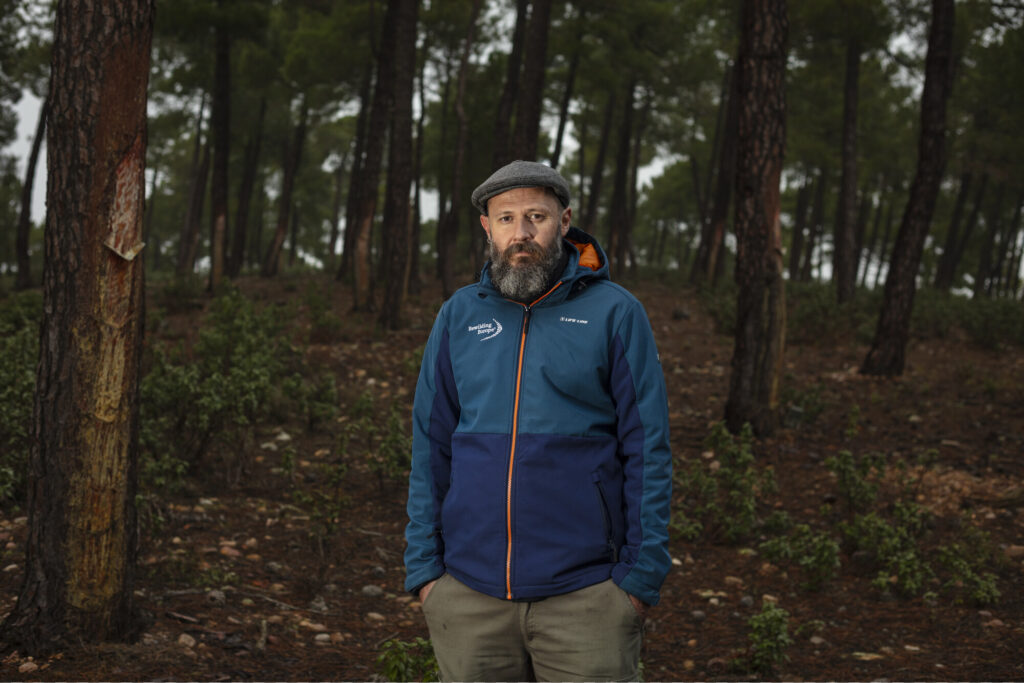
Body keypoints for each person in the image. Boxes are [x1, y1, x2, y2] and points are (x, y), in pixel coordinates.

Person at [404, 160, 672, 682]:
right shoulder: (459, 316)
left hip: (587, 597)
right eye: (505, 219)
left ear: (564, 220)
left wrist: (639, 579)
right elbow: (430, 445)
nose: (520, 233)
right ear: (487, 227)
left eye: (536, 217)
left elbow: (649, 449)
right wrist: (425, 572)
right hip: (466, 595)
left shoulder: (615, 313)